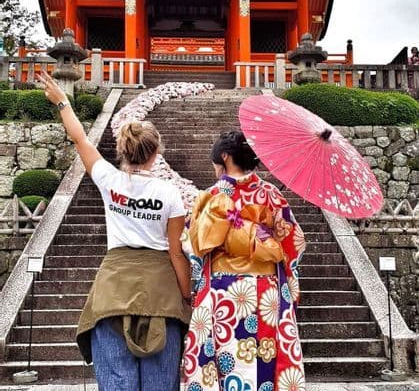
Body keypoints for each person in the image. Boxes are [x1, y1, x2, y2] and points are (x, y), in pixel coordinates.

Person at [37, 71, 191, 391]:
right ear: (154, 153)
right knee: (160, 383)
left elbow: (80, 139)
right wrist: (187, 295)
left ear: (123, 150)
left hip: (112, 289)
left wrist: (63, 101)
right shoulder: (169, 194)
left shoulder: (111, 181)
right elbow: (176, 252)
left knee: (116, 383)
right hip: (161, 291)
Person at [181, 131, 306, 391]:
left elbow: (196, 246)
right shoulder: (271, 194)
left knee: (221, 362)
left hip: (221, 291)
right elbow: (293, 243)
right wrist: (263, 245)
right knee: (264, 363)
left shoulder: (211, 195)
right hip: (266, 293)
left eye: (215, 159)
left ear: (224, 157)